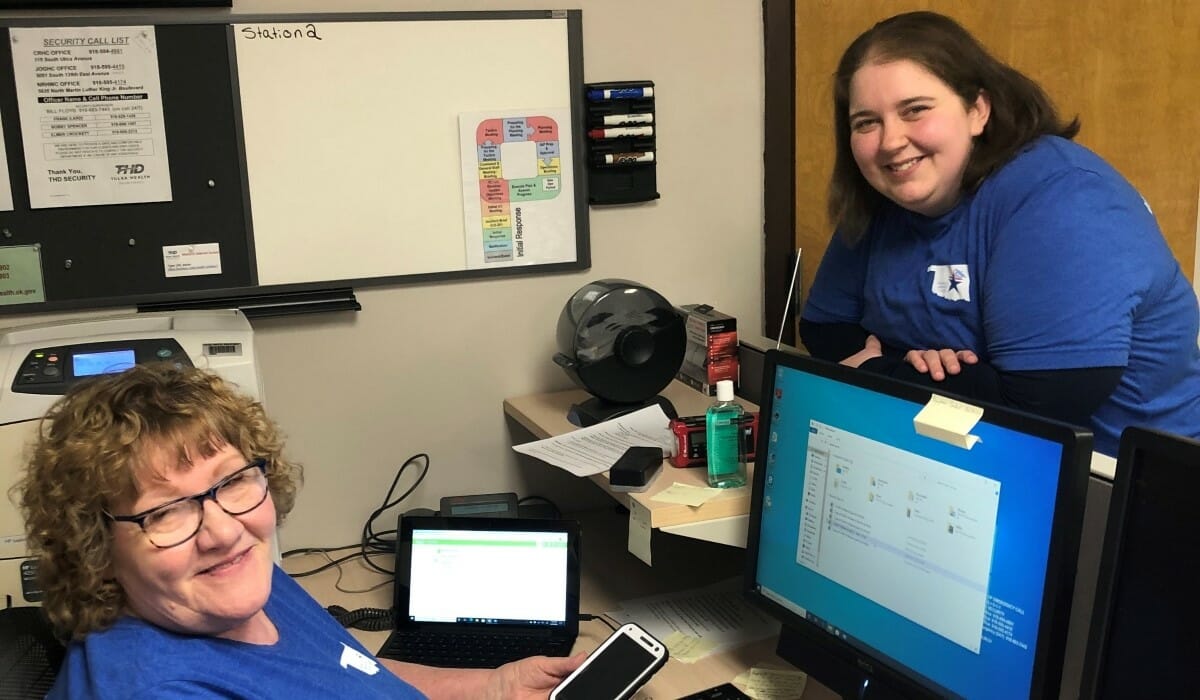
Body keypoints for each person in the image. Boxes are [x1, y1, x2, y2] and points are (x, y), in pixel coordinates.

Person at [15, 362, 583, 699]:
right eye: (166, 512)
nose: (222, 530)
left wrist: (493, 686)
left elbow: (348, 673)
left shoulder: (242, 586)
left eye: (232, 481)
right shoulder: (163, 689)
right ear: (96, 546)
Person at [799, 11, 1200, 457]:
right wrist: (924, 366)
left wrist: (885, 371)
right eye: (865, 122)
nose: (890, 140)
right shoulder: (885, 202)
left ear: (977, 110)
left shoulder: (1062, 198)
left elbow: (1037, 406)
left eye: (915, 110)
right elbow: (825, 330)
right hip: (967, 458)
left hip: (1122, 483)